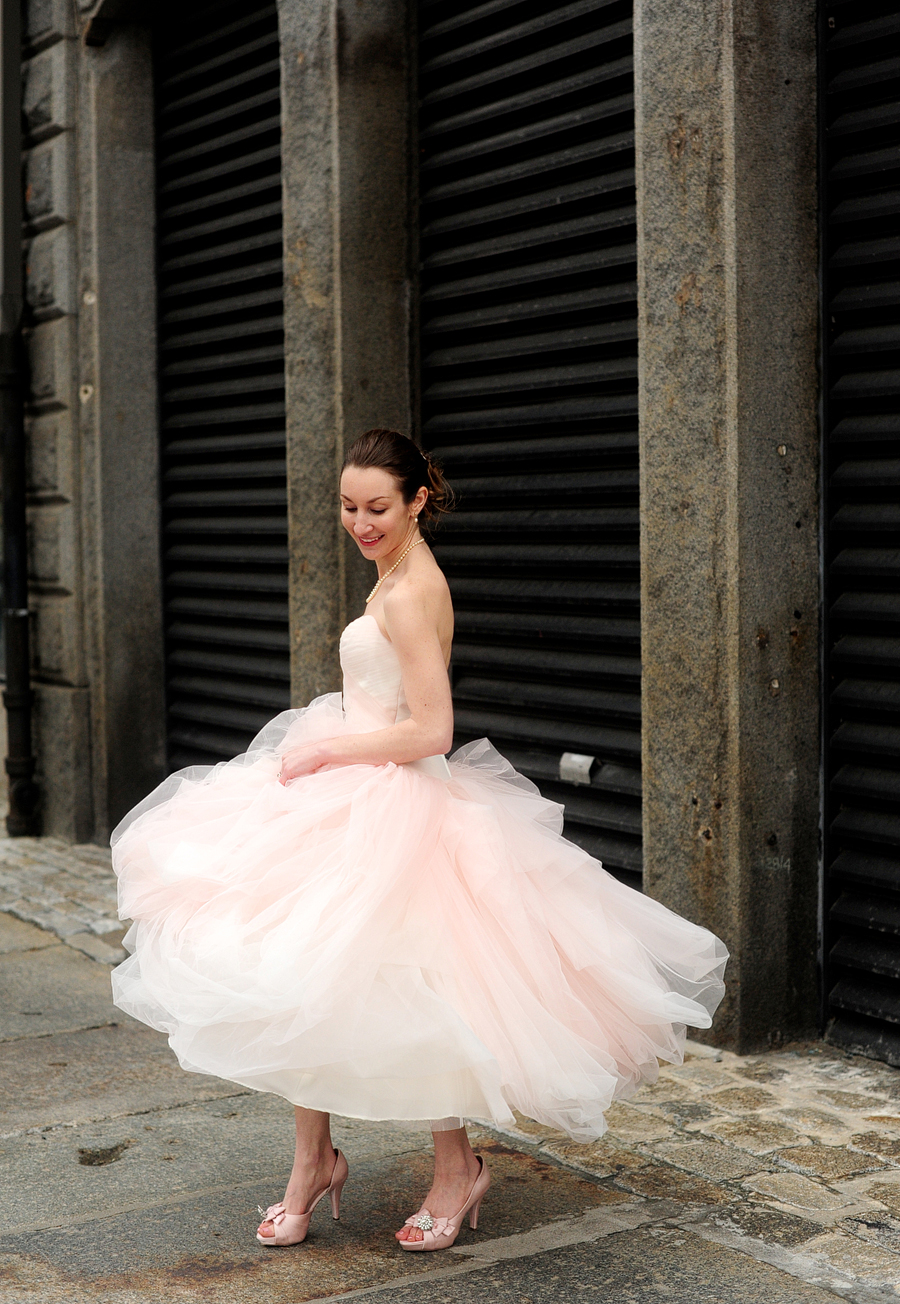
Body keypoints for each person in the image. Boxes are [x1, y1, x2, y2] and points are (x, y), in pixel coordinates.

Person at [110, 428, 728, 1252]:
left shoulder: (408, 591)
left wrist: (330, 747)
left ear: (417, 501)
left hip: (396, 796)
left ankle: (454, 1170)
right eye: (347, 506)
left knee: (418, 983)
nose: (360, 523)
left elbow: (433, 729)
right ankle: (313, 1159)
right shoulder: (393, 572)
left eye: (377, 508)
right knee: (306, 972)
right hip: (358, 791)